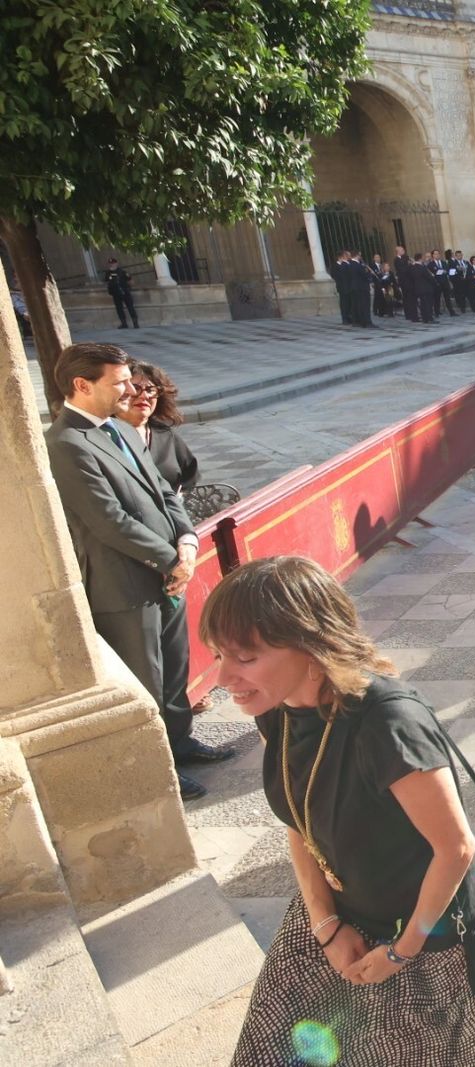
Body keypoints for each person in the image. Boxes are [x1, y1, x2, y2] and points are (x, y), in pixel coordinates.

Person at [203, 556, 475, 1064]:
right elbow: (300, 821)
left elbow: (455, 848)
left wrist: (401, 952)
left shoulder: (387, 723)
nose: (223, 677)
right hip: (340, 910)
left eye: (245, 658)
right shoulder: (278, 711)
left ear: (311, 643)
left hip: (428, 930)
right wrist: (325, 925)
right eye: (218, 656)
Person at [44, 343, 233, 801]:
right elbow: (107, 520)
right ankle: (161, 769)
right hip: (125, 585)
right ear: (82, 385)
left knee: (174, 669)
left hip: (168, 573)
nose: (131, 390)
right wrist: (171, 559)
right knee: (145, 679)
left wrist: (186, 540)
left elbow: (166, 492)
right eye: (120, 382)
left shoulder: (121, 429)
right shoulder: (66, 444)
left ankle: (181, 742)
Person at [117, 361, 199, 496]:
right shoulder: (105, 434)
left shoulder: (165, 434)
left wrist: (178, 499)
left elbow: (190, 477)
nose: (145, 396)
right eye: (136, 388)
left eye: (150, 390)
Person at [105, 257, 139, 328]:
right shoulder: (108, 273)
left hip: (125, 292)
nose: (111, 265)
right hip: (115, 293)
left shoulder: (122, 272)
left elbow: (131, 281)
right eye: (110, 263)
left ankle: (135, 323)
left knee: (130, 307)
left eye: (113, 263)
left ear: (116, 263)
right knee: (119, 309)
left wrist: (128, 288)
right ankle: (124, 323)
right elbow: (107, 282)